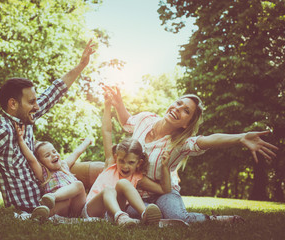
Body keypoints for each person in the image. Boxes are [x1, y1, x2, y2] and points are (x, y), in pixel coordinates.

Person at [0, 40, 96, 218]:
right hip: (34, 204)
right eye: (31, 101)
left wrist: (82, 65)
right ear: (13, 104)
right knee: (79, 186)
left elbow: (55, 91)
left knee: (95, 170)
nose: (37, 106)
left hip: (48, 188)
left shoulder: (27, 117)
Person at [104, 86, 278, 224]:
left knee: (178, 217)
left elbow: (209, 140)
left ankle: (216, 219)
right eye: (179, 103)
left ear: (186, 124)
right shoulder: (145, 119)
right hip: (137, 194)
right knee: (134, 213)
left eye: (186, 111)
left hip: (164, 192)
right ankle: (154, 215)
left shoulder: (180, 144)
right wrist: (119, 103)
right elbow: (127, 121)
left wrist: (240, 138)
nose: (178, 109)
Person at [80, 92, 171, 227]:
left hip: (113, 214)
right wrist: (107, 106)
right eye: (121, 161)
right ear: (116, 157)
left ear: (139, 162)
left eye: (131, 162)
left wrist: (165, 167)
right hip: (93, 210)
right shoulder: (111, 163)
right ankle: (121, 217)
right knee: (109, 190)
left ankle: (146, 215)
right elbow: (107, 131)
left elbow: (164, 190)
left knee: (123, 184)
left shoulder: (138, 178)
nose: (125, 166)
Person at [13, 122, 91, 219]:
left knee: (79, 185)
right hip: (63, 207)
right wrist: (20, 140)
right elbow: (31, 159)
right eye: (47, 155)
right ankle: (41, 215)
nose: (53, 155)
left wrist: (87, 142)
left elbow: (77, 152)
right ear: (41, 162)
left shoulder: (64, 165)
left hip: (77, 205)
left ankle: (53, 196)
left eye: (54, 151)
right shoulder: (44, 173)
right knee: (59, 204)